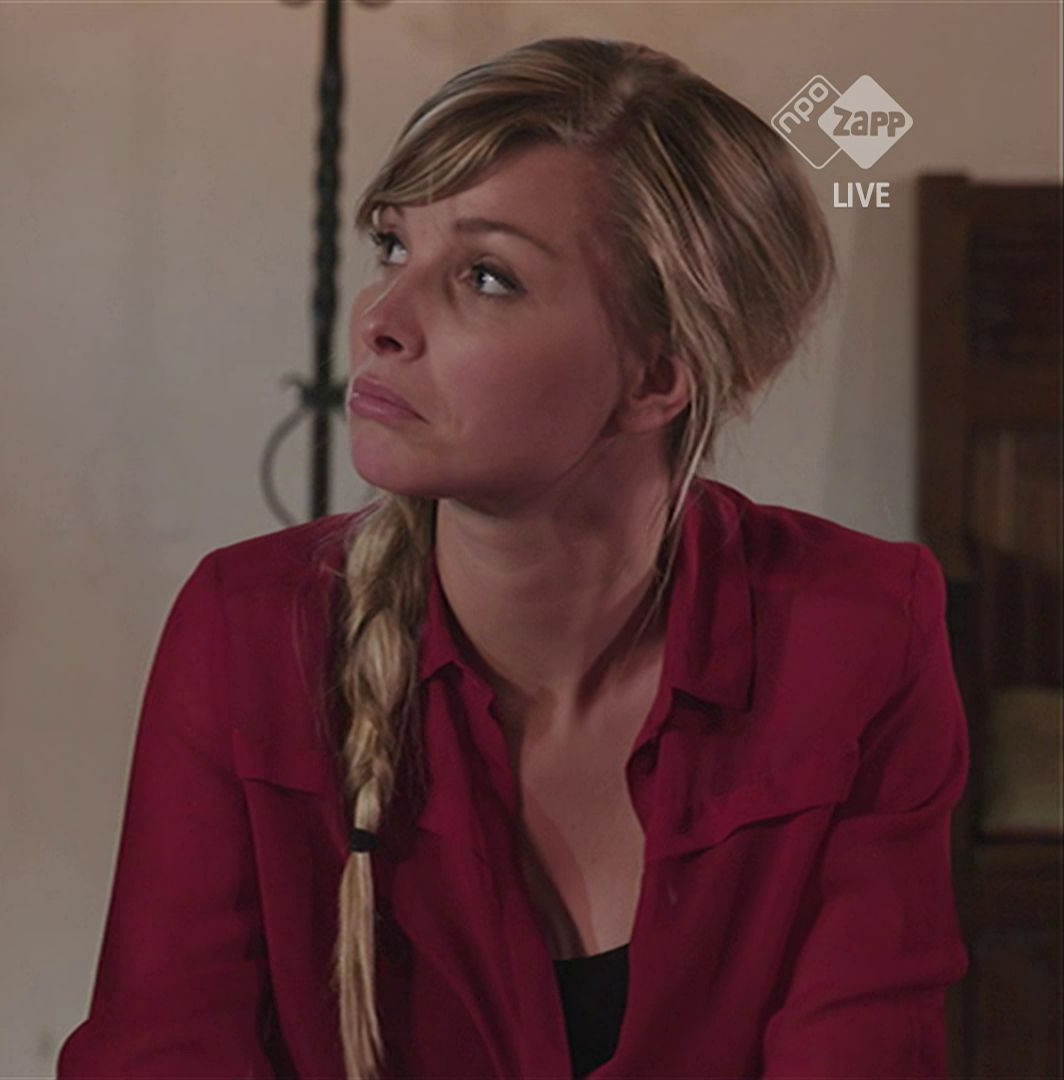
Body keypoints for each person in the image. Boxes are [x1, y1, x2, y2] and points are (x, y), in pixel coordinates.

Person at [60, 36, 968, 1080]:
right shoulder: (251, 629)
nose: (381, 320)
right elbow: (164, 1050)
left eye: (486, 277)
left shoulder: (860, 632)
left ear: (657, 376)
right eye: (393, 248)